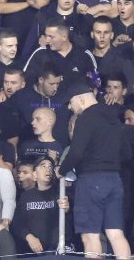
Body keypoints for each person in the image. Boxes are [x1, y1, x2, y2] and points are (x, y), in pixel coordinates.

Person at [60, 78, 132, 257]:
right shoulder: (113, 117)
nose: (70, 107)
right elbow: (127, 154)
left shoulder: (85, 118)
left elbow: (75, 153)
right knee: (116, 233)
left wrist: (60, 170)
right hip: (115, 180)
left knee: (90, 236)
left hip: (91, 181)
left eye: (71, 102)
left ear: (81, 99)